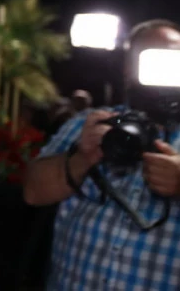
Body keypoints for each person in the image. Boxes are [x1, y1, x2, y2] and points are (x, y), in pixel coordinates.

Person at [24, 19, 180, 290]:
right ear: (128, 67)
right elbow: (33, 192)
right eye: (150, 57)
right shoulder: (89, 122)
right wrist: (82, 158)